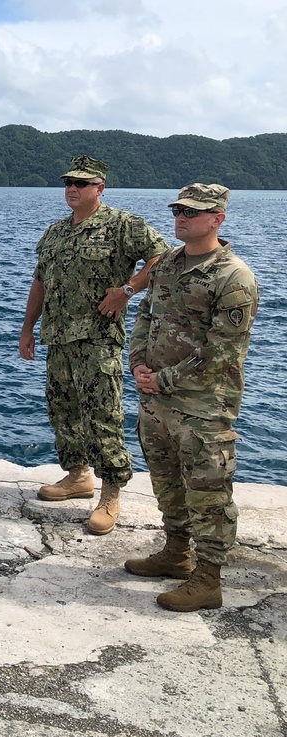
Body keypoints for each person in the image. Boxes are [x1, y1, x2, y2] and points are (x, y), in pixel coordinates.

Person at [125, 184, 259, 612]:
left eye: (193, 212)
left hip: (203, 406)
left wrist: (161, 379)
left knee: (208, 492)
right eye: (178, 209)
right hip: (158, 400)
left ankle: (208, 580)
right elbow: (146, 315)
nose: (181, 217)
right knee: (166, 480)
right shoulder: (166, 263)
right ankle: (176, 552)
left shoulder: (233, 277)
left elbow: (223, 351)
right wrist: (138, 364)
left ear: (217, 218)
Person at [19, 155, 168, 535]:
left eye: (82, 184)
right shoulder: (55, 232)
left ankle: (110, 494)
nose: (72, 188)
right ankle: (77, 476)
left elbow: (163, 257)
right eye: (68, 182)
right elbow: (41, 281)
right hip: (58, 338)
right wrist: (27, 328)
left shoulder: (122, 225)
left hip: (98, 338)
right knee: (63, 409)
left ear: (99, 188)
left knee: (102, 414)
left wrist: (128, 290)